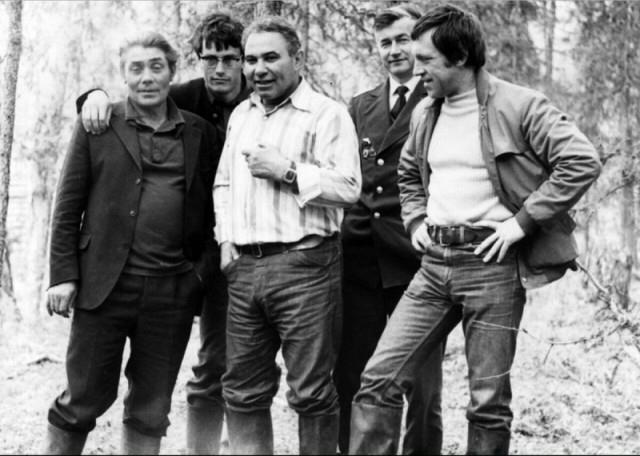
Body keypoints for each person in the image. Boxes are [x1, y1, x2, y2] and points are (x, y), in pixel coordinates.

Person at [349, 4, 602, 455]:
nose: (416, 69)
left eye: (427, 60)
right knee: (378, 382)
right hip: (432, 267)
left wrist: (522, 223)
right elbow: (408, 173)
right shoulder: (426, 112)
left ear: (461, 56)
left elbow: (581, 161)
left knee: (487, 404)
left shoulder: (520, 105)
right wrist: (415, 218)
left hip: (492, 268)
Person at [78, 13, 249, 454]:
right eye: (210, 58)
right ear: (196, 61)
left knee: (234, 366)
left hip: (245, 251)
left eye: (231, 59)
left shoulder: (261, 99)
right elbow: (135, 98)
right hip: (182, 261)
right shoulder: (183, 97)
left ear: (245, 60)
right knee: (204, 370)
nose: (220, 69)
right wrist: (93, 95)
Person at [44, 32, 220, 455]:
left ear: (172, 72)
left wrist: (198, 275)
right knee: (83, 398)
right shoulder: (99, 124)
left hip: (172, 291)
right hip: (104, 286)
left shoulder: (200, 132)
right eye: (136, 68)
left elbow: (218, 207)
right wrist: (63, 275)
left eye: (156, 67)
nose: (146, 77)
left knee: (151, 408)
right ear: (123, 75)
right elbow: (68, 204)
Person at [213, 16, 361, 455]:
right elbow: (224, 183)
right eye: (251, 60)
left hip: (306, 267)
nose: (259, 69)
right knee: (242, 391)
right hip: (244, 268)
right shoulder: (242, 114)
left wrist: (289, 171)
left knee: (311, 392)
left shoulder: (327, 114)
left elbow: (349, 188)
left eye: (271, 57)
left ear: (298, 58)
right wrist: (225, 241)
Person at [335, 4, 443, 454]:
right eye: (385, 43)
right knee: (353, 372)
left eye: (402, 40)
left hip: (415, 258)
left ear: (419, 43)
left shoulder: (439, 100)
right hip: (361, 259)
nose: (394, 50)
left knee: (422, 383)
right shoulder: (360, 106)